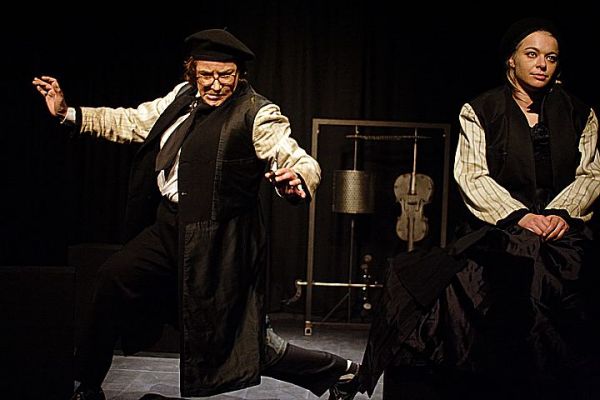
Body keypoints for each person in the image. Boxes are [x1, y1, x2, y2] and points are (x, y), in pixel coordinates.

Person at [33, 29, 359, 400]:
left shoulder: (257, 113)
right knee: (112, 278)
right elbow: (132, 122)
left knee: (242, 345)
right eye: (207, 75)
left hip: (216, 245)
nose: (216, 84)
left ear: (239, 75)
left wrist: (297, 178)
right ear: (193, 72)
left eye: (226, 75)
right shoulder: (181, 96)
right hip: (168, 228)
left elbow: (293, 155)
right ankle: (88, 384)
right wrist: (69, 113)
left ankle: (342, 372)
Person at [357, 18, 600, 399]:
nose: (542, 64)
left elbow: (590, 175)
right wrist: (521, 216)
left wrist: (559, 215)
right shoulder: (480, 110)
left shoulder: (580, 114)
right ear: (511, 60)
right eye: (532, 54)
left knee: (566, 284)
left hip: (563, 228)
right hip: (498, 227)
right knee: (461, 289)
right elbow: (472, 176)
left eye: (551, 58)